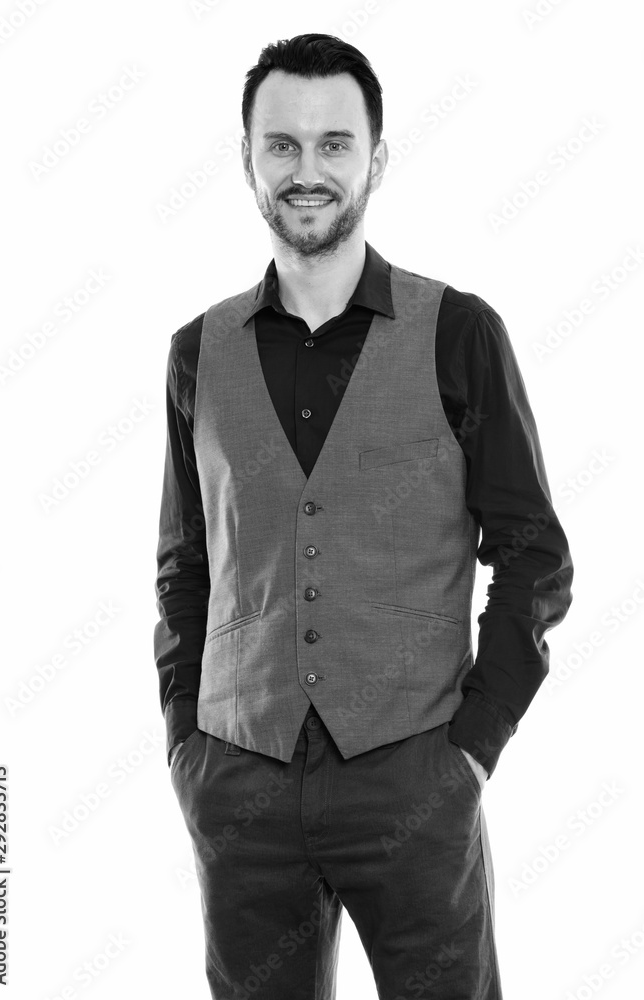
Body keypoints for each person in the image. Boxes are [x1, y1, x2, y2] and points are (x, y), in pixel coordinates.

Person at [154, 32, 574, 1000]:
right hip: (239, 780)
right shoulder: (195, 353)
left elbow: (534, 557)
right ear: (248, 158)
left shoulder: (458, 332)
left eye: (334, 143)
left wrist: (469, 749)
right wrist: (187, 740)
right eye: (283, 145)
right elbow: (183, 568)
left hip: (413, 777)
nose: (309, 171)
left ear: (376, 159)